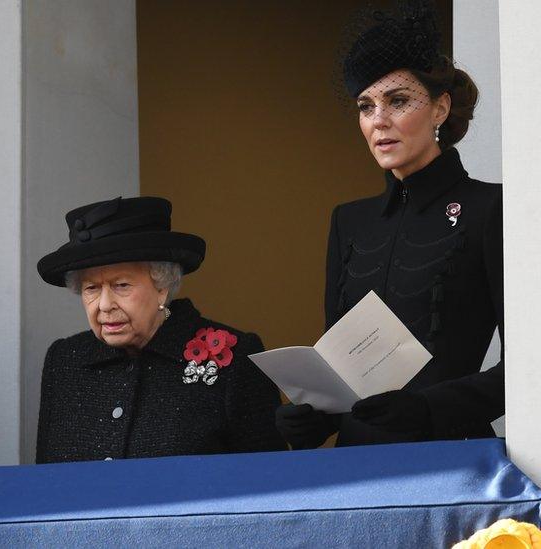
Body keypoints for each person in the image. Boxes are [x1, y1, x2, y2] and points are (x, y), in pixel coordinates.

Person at [275, 1, 503, 448]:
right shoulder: (349, 221)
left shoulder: (490, 207)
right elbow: (342, 368)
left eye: (398, 101)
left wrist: (429, 409)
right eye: (366, 106)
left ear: (440, 109)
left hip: (450, 458)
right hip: (357, 466)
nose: (378, 120)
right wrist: (319, 418)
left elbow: (529, 368)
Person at [35, 196, 286, 463]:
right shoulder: (65, 359)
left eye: (122, 285)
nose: (105, 305)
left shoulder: (234, 359)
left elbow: (267, 480)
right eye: (91, 288)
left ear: (162, 287)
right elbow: (45, 482)